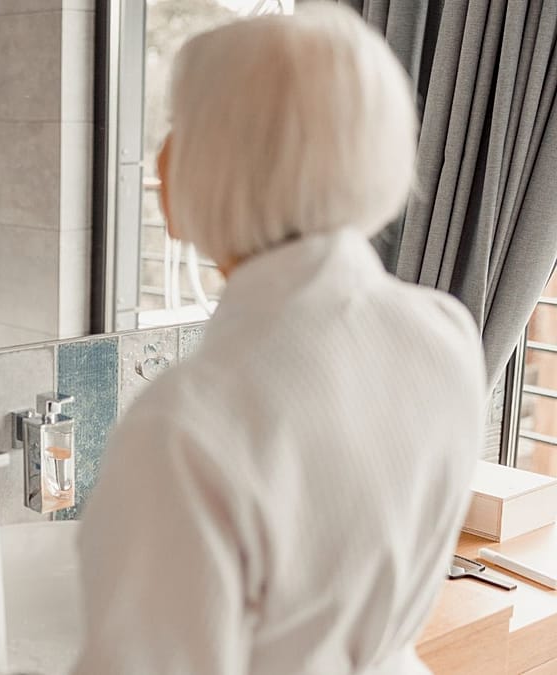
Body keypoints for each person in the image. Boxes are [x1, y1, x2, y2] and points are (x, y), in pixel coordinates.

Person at [73, 4, 485, 674]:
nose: (159, 154)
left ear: (227, 158)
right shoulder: (444, 332)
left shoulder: (186, 426)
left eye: (180, 124)